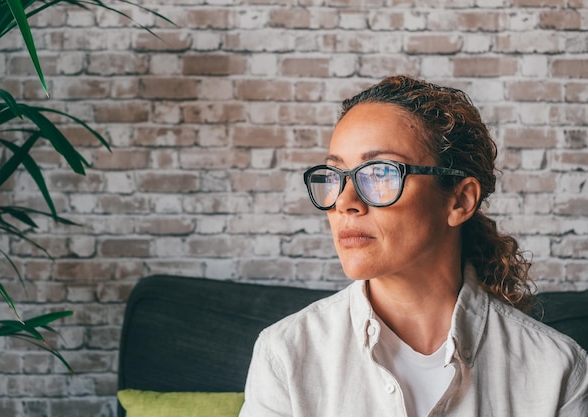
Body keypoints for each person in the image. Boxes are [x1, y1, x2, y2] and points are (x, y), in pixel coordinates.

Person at [239, 75, 588, 417]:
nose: (344, 201)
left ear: (460, 201)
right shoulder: (285, 354)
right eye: (335, 175)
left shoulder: (556, 370)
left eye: (379, 173)